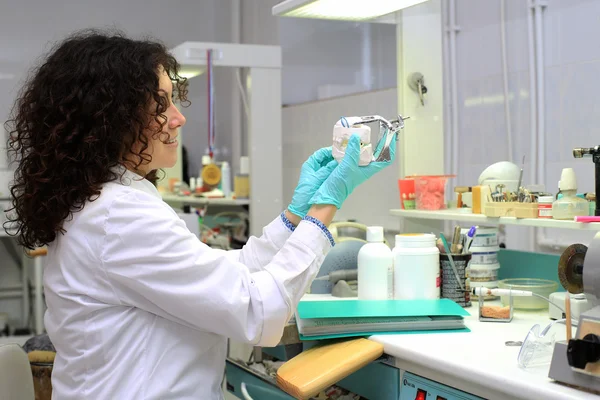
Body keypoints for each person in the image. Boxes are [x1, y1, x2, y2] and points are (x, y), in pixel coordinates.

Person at [4, 30, 396, 399]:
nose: (178, 117)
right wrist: (325, 207)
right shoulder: (117, 214)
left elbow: (231, 274)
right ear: (110, 121)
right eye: (160, 105)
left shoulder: (108, 198)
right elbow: (258, 312)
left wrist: (295, 217)